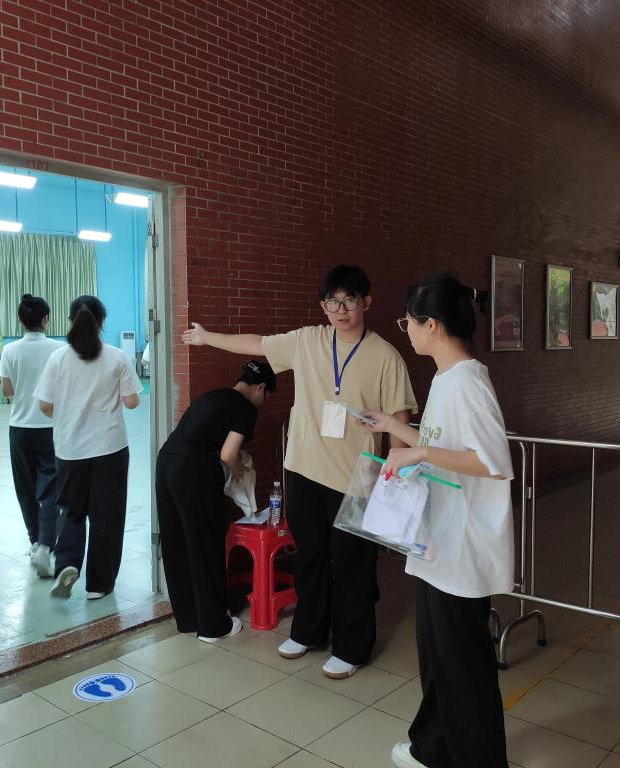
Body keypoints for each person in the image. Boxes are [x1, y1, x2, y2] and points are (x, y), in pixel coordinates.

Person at [183, 264, 417, 678]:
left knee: (353, 566)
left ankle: (352, 647)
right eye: (332, 302)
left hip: (356, 477)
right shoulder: (308, 340)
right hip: (304, 469)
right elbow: (256, 342)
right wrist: (206, 337)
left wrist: (391, 474)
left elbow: (399, 417)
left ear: (366, 302)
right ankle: (309, 631)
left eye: (349, 301)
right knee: (309, 556)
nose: (341, 310)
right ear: (322, 306)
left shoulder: (386, 356)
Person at [359, 273, 513, 768]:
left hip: (461, 549)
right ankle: (433, 747)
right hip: (439, 543)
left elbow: (492, 462)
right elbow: (441, 443)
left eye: (407, 320)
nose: (405, 329)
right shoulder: (447, 378)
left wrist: (419, 451)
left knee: (461, 665)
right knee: (439, 658)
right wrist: (394, 427)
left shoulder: (467, 381)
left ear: (431, 324)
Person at [155, 360, 277, 642]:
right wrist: (238, 470)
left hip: (167, 462)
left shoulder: (214, 396)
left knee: (177, 541)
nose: (263, 402)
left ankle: (188, 618)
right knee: (205, 543)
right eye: (266, 396)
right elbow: (228, 454)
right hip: (194, 469)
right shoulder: (245, 408)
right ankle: (213, 626)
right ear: (260, 387)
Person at [34, 295, 142, 600]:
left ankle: (67, 564)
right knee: (107, 516)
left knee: (71, 511)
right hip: (110, 449)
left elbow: (44, 405)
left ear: (71, 321)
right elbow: (132, 402)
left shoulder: (58, 359)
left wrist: (69, 412)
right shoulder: (116, 357)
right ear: (102, 322)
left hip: (69, 450)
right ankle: (99, 584)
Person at [0, 294, 65, 577]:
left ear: (20, 320)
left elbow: (6, 391)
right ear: (46, 319)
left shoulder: (10, 350)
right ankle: (46, 546)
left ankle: (35, 541)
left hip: (20, 429)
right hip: (52, 428)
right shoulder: (60, 349)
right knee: (50, 491)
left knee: (25, 489)